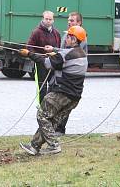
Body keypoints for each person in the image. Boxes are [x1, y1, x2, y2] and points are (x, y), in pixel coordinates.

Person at [18, 26, 89, 156]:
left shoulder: (66, 54)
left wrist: (29, 54)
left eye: (68, 36)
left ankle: (54, 145)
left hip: (62, 93)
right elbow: (62, 58)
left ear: (74, 39)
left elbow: (46, 63)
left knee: (42, 115)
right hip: (75, 97)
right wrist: (55, 55)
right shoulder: (82, 54)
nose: (66, 38)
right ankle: (34, 146)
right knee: (52, 121)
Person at [27, 11, 62, 102]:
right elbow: (29, 47)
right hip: (40, 64)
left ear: (53, 20)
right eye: (46, 19)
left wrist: (54, 53)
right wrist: (37, 57)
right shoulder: (36, 32)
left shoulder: (56, 33)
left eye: (50, 19)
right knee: (42, 87)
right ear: (43, 19)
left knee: (53, 85)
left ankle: (50, 106)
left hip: (53, 63)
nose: (48, 21)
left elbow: (59, 49)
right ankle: (41, 108)